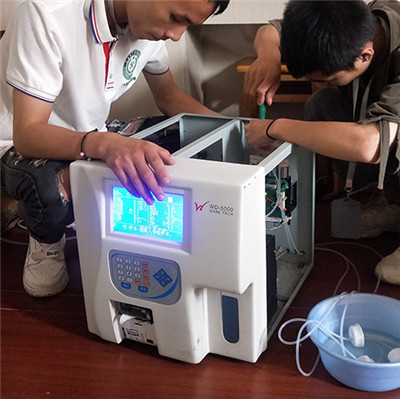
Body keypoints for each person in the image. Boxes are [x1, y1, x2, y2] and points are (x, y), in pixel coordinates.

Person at [0, 0, 230, 297]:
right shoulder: (45, 12)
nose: (176, 35)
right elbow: (28, 135)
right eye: (176, 18)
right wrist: (106, 145)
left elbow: (170, 98)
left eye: (187, 25)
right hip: (15, 145)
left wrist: (238, 128)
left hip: (90, 136)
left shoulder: (145, 31)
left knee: (183, 132)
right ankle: (46, 239)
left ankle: (94, 203)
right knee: (46, 183)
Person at [243, 0, 400, 285]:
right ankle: (392, 205)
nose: (322, 83)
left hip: (378, 135)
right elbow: (270, 30)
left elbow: (371, 145)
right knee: (323, 103)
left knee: (377, 137)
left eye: (329, 78)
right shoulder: (345, 22)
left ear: (365, 55)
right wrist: (269, 55)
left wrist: (276, 128)